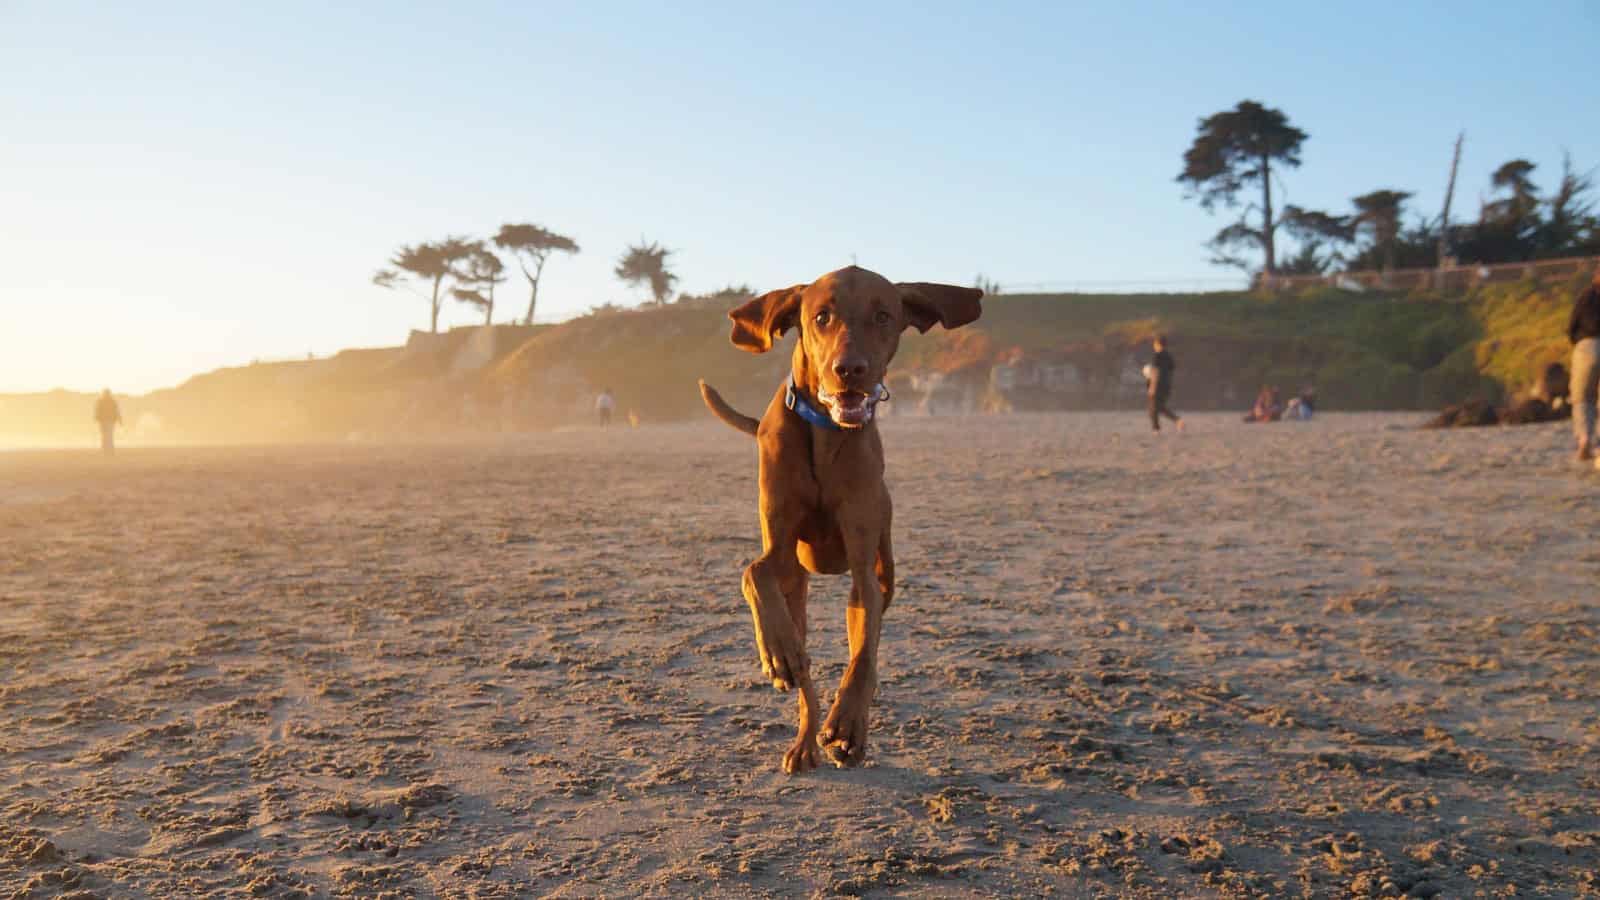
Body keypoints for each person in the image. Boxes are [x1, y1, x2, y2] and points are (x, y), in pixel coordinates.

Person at [1568, 268, 1600, 462]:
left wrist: (1579, 343)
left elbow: (1572, 325)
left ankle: (1585, 439)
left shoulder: (1586, 297)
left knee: (1582, 397)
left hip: (1586, 347)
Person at [1146, 335, 1183, 432]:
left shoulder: (1157, 355)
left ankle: (1156, 429)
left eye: (1154, 343)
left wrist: (1152, 387)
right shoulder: (1169, 356)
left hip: (1157, 385)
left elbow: (1155, 372)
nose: (1154, 345)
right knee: (1159, 407)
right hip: (1167, 385)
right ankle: (1177, 420)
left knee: (1153, 408)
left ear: (1157, 344)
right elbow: (1171, 371)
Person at [93, 389, 122, 453]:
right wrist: (119, 419)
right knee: (109, 435)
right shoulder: (112, 401)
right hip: (109, 420)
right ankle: (109, 449)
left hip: (104, 420)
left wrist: (96, 417)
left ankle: (106, 449)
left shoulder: (101, 401)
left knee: (105, 435)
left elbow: (97, 410)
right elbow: (117, 411)